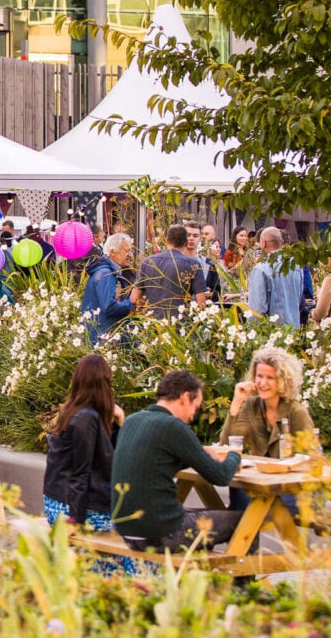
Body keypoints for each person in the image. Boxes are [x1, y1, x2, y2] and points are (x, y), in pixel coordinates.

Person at [111, 370, 242, 552]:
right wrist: (235, 454)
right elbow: (220, 476)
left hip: (128, 531)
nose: (192, 416)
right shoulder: (173, 426)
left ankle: (194, 580)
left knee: (200, 516)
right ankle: (244, 580)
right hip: (161, 533)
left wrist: (199, 453)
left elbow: (157, 462)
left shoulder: (133, 420)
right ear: (185, 397)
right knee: (243, 521)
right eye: (195, 408)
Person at [43, 354, 126, 528]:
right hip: (71, 510)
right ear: (104, 384)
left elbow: (107, 458)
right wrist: (75, 522)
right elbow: (81, 473)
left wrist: (119, 422)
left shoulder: (72, 412)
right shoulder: (86, 419)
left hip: (59, 502)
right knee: (140, 542)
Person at [220, 345, 314, 459]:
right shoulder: (251, 405)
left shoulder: (297, 413)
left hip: (291, 475)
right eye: (259, 376)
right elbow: (228, 445)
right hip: (259, 474)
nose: (263, 383)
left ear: (283, 381)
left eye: (270, 378)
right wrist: (237, 401)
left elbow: (310, 457)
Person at [129, 224, 207, 320]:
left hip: (152, 324)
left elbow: (134, 298)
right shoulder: (193, 265)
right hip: (181, 324)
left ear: (167, 241)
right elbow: (201, 303)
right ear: (186, 243)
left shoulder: (148, 262)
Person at [80, 233, 134, 345]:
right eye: (127, 251)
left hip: (102, 334)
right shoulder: (106, 273)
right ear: (112, 252)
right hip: (103, 337)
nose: (131, 255)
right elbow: (109, 307)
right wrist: (133, 303)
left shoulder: (108, 271)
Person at [247, 226, 304, 327]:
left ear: (263, 243)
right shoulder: (296, 266)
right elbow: (299, 300)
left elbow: (257, 310)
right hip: (294, 330)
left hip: (273, 335)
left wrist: (251, 333)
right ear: (281, 243)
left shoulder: (261, 269)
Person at [183, 220, 222, 302]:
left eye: (195, 235)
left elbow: (217, 292)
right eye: (188, 235)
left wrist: (210, 292)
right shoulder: (174, 260)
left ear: (200, 238)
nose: (191, 238)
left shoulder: (208, 263)